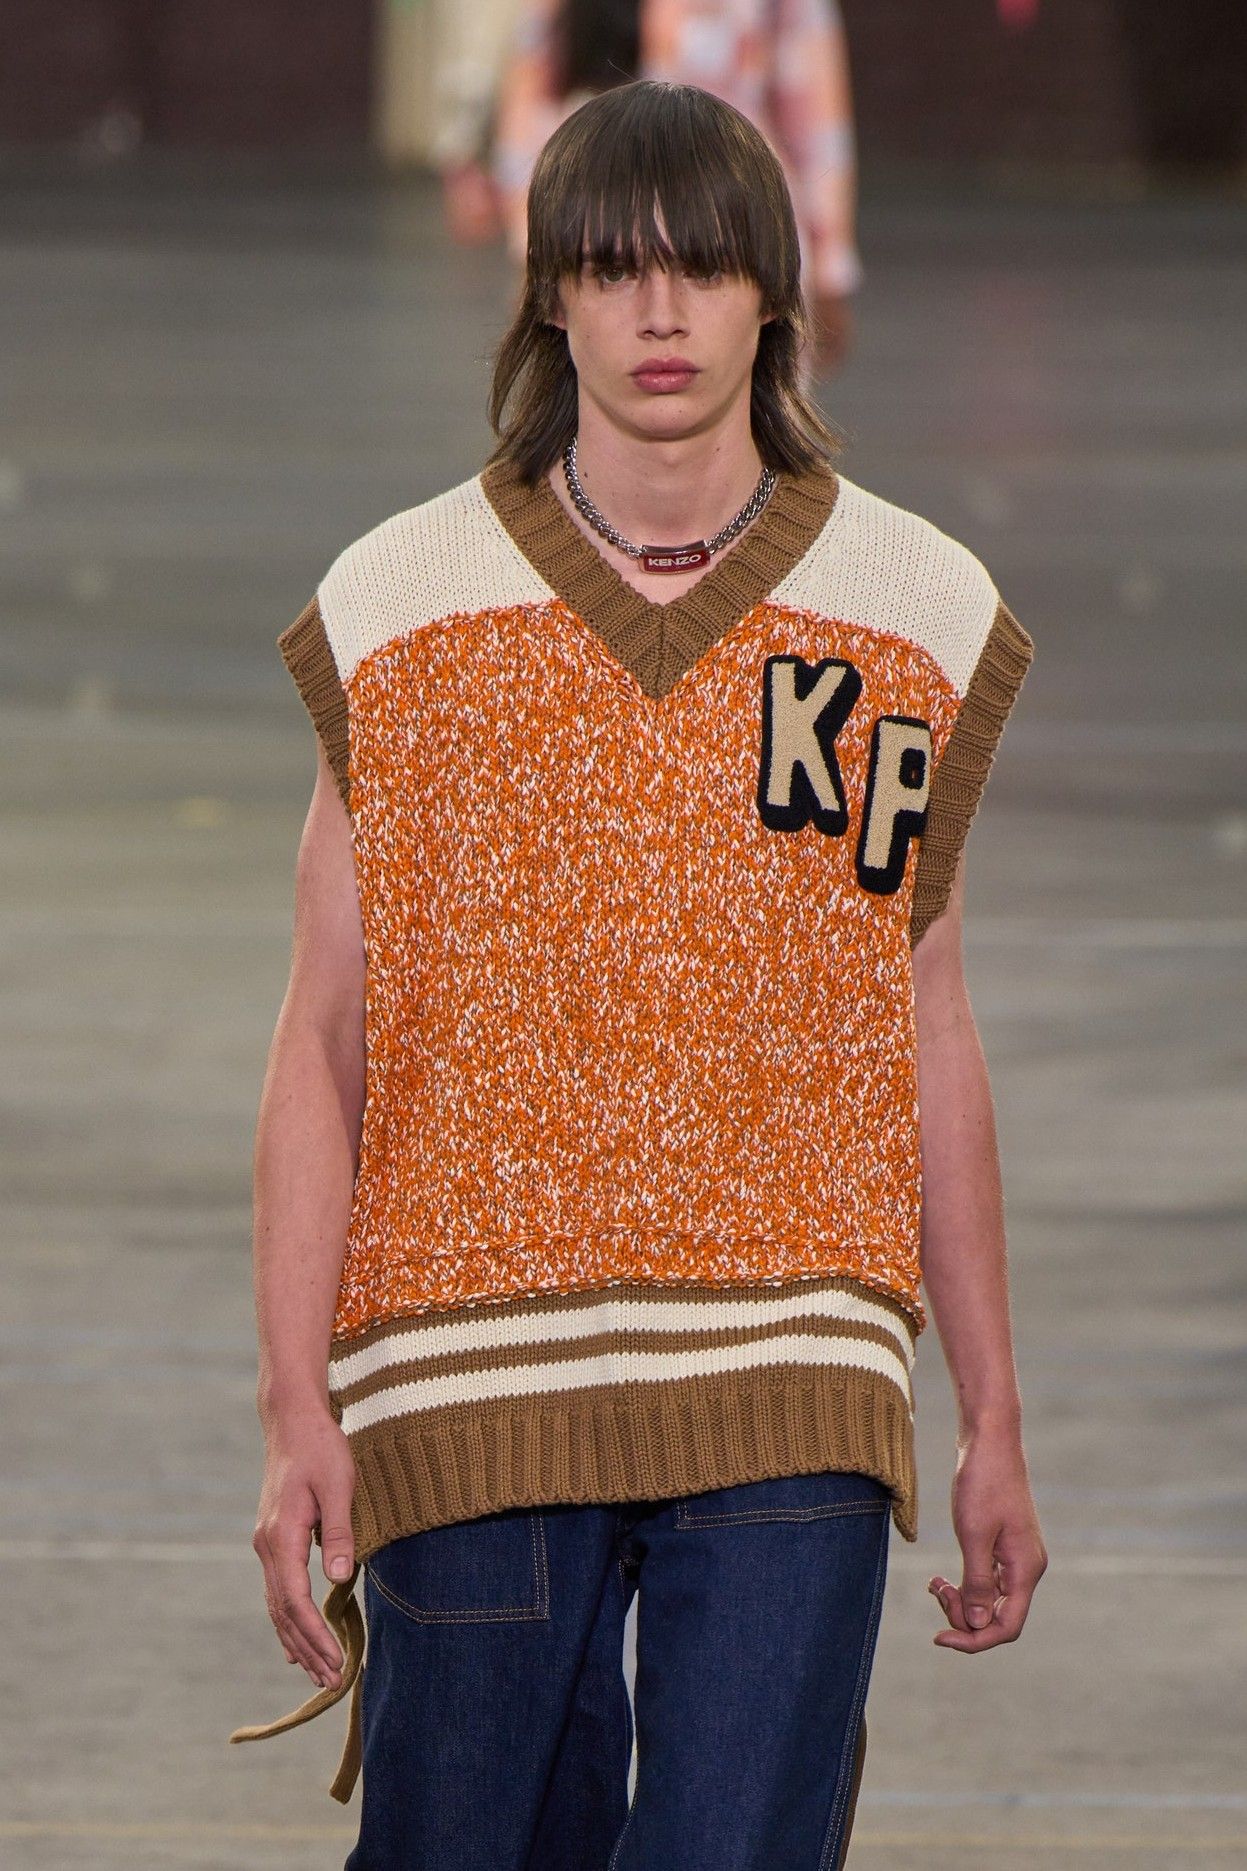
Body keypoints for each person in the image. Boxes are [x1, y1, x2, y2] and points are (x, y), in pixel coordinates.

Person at [229, 78, 1048, 1871]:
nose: (658, 310)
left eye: (701, 265)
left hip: (794, 1348)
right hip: (465, 1360)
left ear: (773, 291)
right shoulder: (404, 606)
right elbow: (323, 1033)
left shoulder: (906, 610)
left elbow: (921, 1013)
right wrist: (297, 1410)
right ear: (549, 298)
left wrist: (990, 1414)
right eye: (610, 268)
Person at [491, 0, 863, 376]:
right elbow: (531, 98)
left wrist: (830, 261)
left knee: (751, 393)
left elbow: (814, 114)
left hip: (735, 226)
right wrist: (535, 247)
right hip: (598, 232)